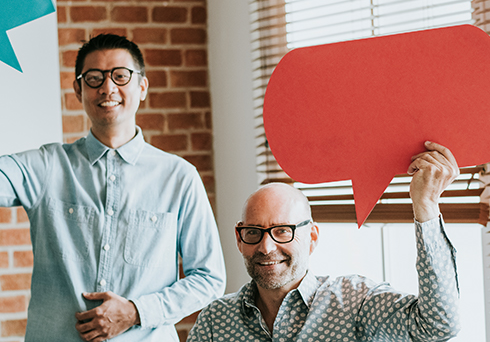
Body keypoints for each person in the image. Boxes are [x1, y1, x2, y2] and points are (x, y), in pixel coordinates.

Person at [0, 34, 226, 342]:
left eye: (120, 76)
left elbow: (209, 278)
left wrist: (135, 311)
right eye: (94, 78)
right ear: (78, 90)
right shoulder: (47, 167)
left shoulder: (179, 177)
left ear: (142, 86)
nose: (108, 87)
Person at [187, 141, 461, 342]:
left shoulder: (356, 302)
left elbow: (438, 326)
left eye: (282, 231)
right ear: (239, 237)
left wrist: (425, 205)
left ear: (312, 237)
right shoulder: (215, 321)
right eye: (253, 232)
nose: (266, 247)